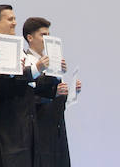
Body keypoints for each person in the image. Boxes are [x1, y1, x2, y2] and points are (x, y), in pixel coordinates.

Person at [0, 4, 47, 167]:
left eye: (14, 19)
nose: (14, 23)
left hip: (26, 122)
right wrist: (32, 71)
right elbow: (4, 84)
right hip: (7, 123)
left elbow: (30, 81)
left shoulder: (18, 48)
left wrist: (52, 77)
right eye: (10, 19)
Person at [23, 17, 80, 167]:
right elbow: (29, 95)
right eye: (43, 35)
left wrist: (69, 92)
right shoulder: (26, 61)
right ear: (30, 38)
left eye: (49, 35)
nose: (47, 40)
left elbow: (57, 98)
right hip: (39, 127)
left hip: (56, 126)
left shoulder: (51, 62)